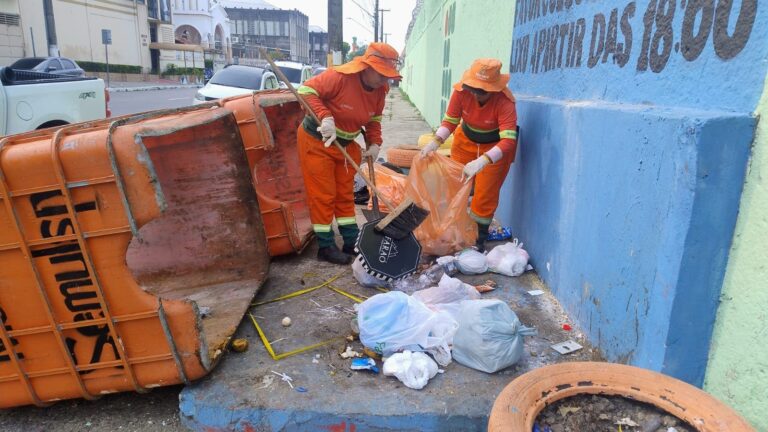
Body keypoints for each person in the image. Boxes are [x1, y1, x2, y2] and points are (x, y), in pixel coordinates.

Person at [297, 43, 402, 264]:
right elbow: (306, 90)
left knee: (345, 194)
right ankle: (325, 246)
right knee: (324, 195)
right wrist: (325, 116)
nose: (385, 80)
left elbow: (374, 120)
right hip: (319, 141)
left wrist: (374, 144)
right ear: (367, 67)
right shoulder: (340, 77)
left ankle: (351, 240)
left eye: (388, 76)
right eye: (382, 74)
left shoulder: (380, 91)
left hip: (345, 145)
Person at [421, 58, 518, 252]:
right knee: (455, 186)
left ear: (493, 89)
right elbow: (450, 121)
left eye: (481, 90)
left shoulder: (505, 102)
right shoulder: (461, 92)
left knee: (485, 195)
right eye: (473, 87)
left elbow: (508, 141)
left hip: (494, 148)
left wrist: (484, 160)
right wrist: (435, 142)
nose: (475, 93)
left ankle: (476, 239)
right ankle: (452, 232)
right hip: (465, 142)